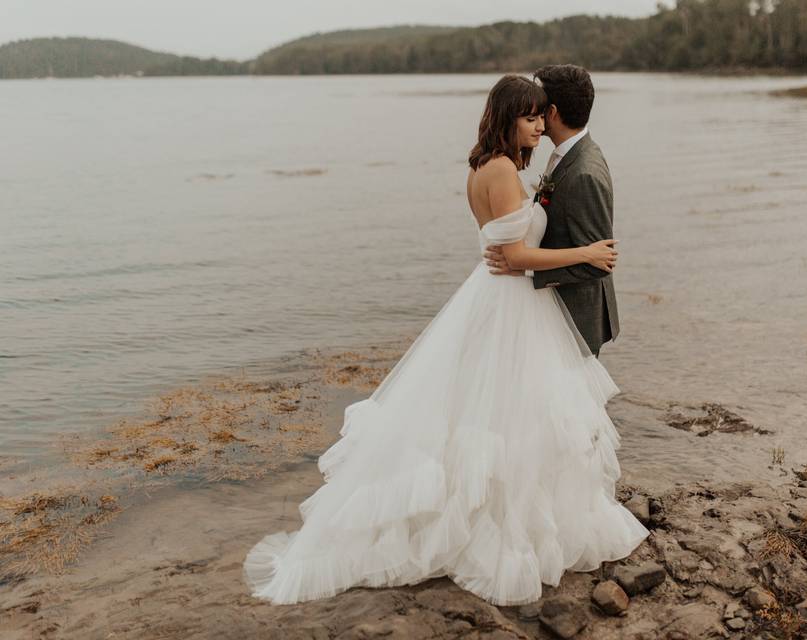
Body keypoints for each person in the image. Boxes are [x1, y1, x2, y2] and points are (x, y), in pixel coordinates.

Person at [243, 74, 648, 607]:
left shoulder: (485, 166)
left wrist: (521, 248)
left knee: (496, 411)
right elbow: (518, 257)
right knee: (515, 413)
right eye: (528, 117)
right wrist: (585, 254)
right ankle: (495, 520)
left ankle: (500, 504)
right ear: (509, 118)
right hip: (512, 302)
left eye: (539, 115)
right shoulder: (502, 170)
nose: (536, 124)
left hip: (500, 297)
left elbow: (503, 246)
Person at [485, 65, 618, 357]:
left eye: (539, 106)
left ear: (553, 112)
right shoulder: (567, 154)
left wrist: (524, 267)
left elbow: (598, 262)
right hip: (550, 314)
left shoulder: (584, 172)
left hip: (576, 320)